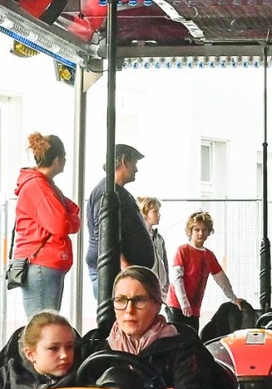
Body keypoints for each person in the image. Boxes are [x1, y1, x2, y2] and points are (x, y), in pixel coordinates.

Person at [84, 266, 222, 389]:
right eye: (121, 300)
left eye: (139, 300)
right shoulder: (96, 349)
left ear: (157, 304)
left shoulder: (185, 350)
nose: (129, 310)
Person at [13, 132, 80, 317]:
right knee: (43, 326)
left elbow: (71, 213)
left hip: (42, 263)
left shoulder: (42, 184)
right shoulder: (38, 186)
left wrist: (70, 219)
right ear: (58, 160)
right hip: (42, 262)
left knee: (43, 325)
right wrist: (71, 220)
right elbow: (62, 224)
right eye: (64, 158)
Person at [85, 143, 152, 303]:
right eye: (134, 163)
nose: (136, 169)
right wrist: (125, 268)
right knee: (115, 317)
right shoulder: (106, 192)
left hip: (120, 271)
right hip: (114, 271)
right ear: (123, 161)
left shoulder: (117, 192)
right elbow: (104, 235)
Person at [166, 210, 243, 332]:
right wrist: (184, 303)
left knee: (192, 340)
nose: (201, 233)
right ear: (190, 231)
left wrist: (233, 298)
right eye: (197, 230)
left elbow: (221, 278)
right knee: (176, 339)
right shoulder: (183, 250)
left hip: (195, 307)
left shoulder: (209, 255)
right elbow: (177, 279)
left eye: (204, 230)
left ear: (209, 232)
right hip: (177, 305)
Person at [139, 196, 171, 295]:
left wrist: (166, 287)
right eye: (155, 212)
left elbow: (164, 263)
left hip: (158, 288)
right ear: (144, 213)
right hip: (143, 286)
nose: (159, 215)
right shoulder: (138, 237)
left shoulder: (159, 239)